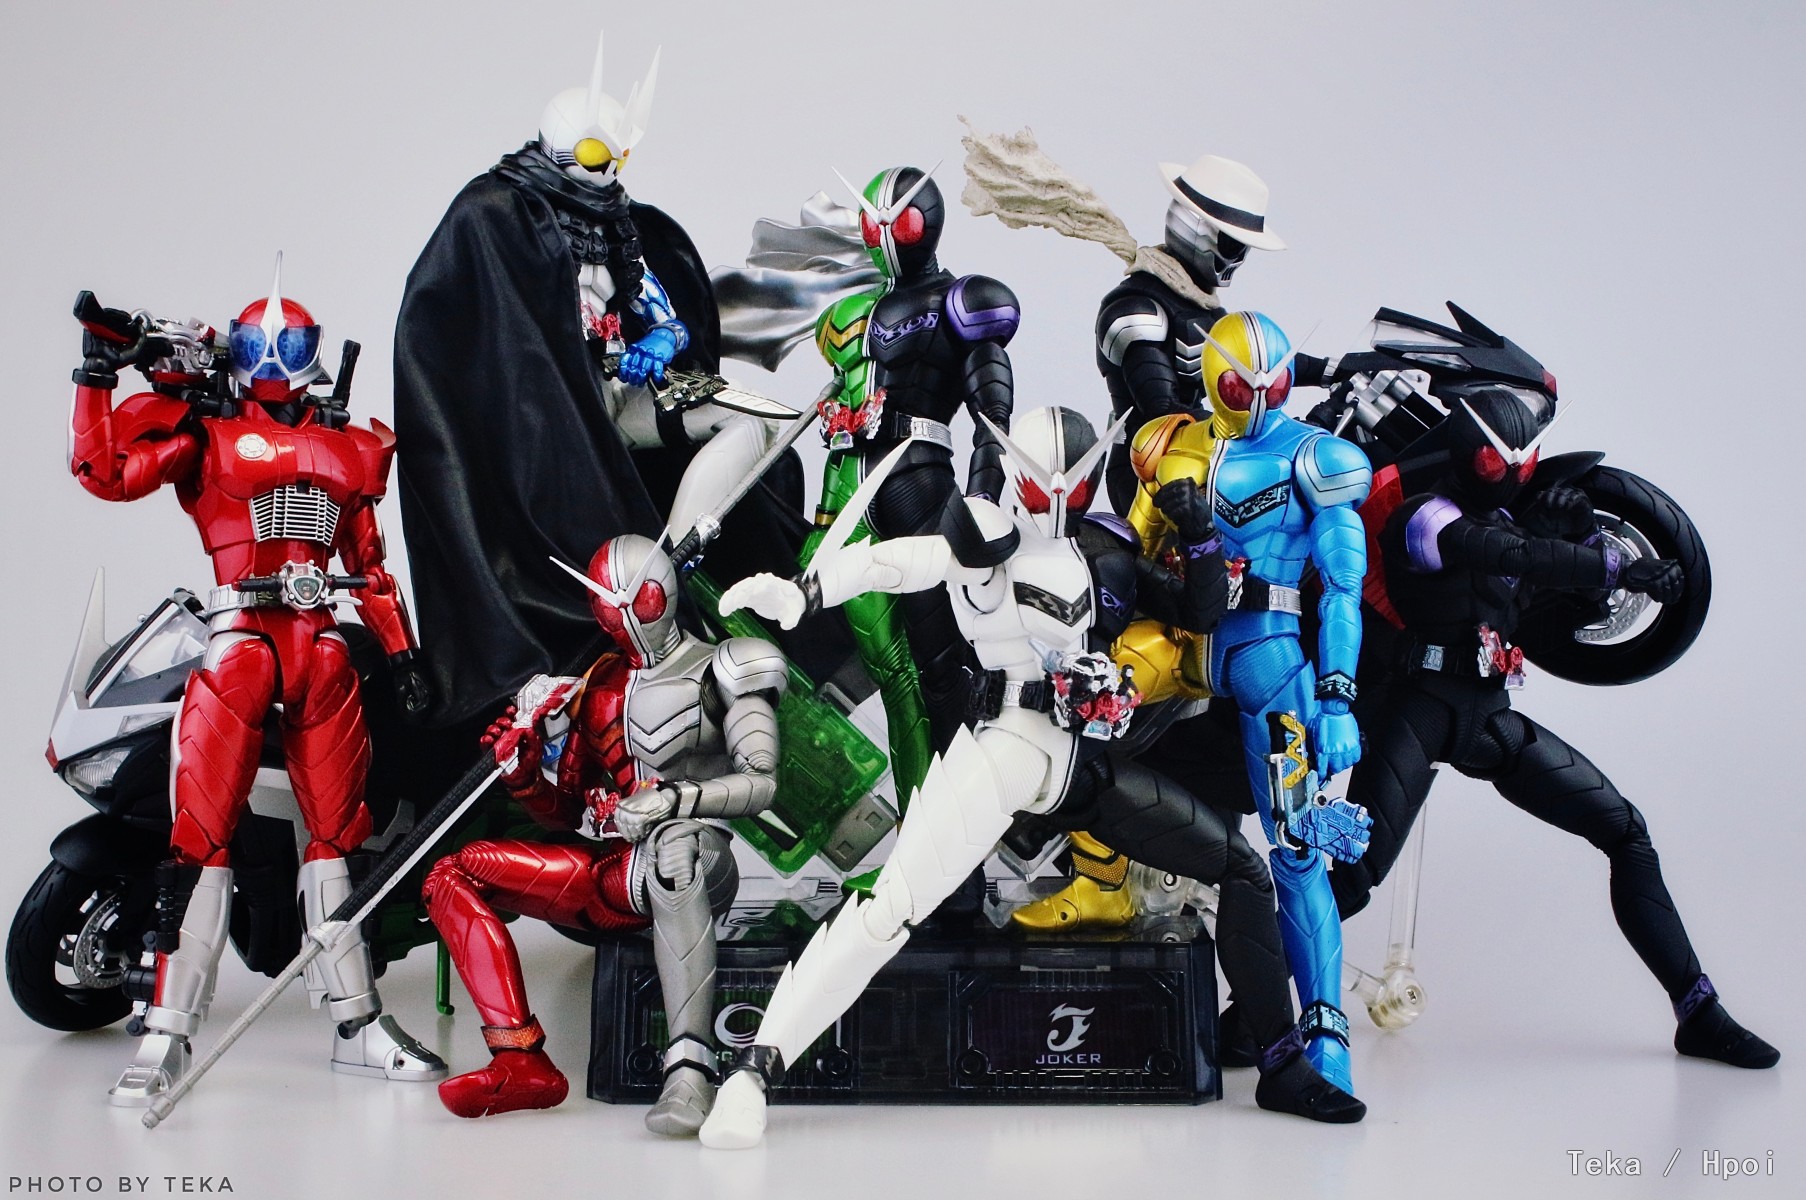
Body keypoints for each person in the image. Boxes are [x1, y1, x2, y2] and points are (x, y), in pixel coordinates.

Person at [69, 263, 444, 1105]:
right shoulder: (208, 429)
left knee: (337, 840)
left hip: (321, 648)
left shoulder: (350, 447)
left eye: (291, 345)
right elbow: (105, 472)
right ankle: (166, 1033)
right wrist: (95, 377)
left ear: (314, 353)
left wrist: (402, 655)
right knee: (200, 839)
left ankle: (357, 1023)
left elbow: (371, 569)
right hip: (239, 640)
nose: (274, 359)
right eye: (259, 345)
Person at [1331, 387, 1777, 1070]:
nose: (1510, 474)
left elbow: (1556, 604)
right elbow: (1504, 554)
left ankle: (1698, 1011)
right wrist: (1610, 562)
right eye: (1495, 461)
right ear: (1464, 452)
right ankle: (1254, 1013)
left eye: (1524, 462)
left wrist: (1584, 535)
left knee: (1625, 830)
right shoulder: (1424, 518)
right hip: (1417, 714)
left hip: (1490, 720)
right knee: (1353, 878)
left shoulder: (1509, 521)